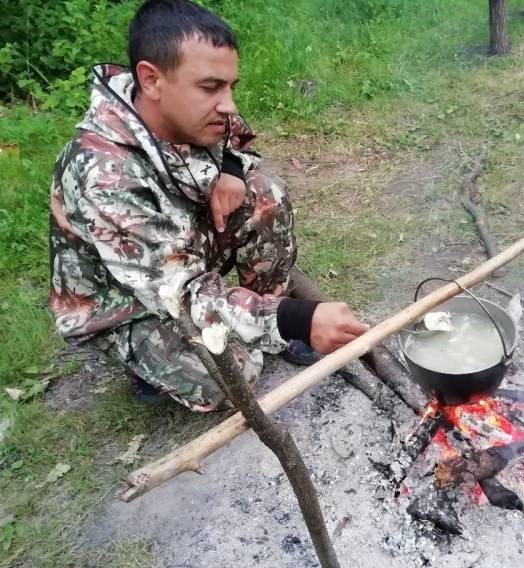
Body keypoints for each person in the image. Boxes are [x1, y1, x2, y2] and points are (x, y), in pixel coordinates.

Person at [49, 0, 368, 412]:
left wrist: (233, 172)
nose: (229, 103)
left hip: (181, 249)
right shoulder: (104, 173)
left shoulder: (190, 109)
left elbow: (235, 135)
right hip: (128, 301)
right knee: (233, 378)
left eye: (230, 86)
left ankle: (261, 311)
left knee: (263, 191)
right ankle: (146, 361)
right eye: (211, 87)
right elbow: (177, 293)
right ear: (151, 80)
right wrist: (297, 318)